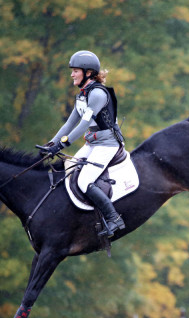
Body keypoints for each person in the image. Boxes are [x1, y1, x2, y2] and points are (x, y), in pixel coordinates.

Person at [38, 50, 125, 237]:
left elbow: (84, 124)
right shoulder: (82, 95)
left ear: (87, 73)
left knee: (85, 180)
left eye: (75, 70)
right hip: (93, 143)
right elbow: (69, 123)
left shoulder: (97, 95)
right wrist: (50, 144)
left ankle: (114, 218)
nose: (71, 74)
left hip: (108, 145)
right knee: (69, 172)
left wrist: (62, 145)